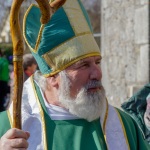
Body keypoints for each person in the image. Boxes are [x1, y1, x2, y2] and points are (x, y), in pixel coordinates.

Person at [0, 0, 149, 149]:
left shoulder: (125, 126)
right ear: (53, 77)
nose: (97, 73)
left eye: (97, 62)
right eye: (83, 65)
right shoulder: (8, 130)